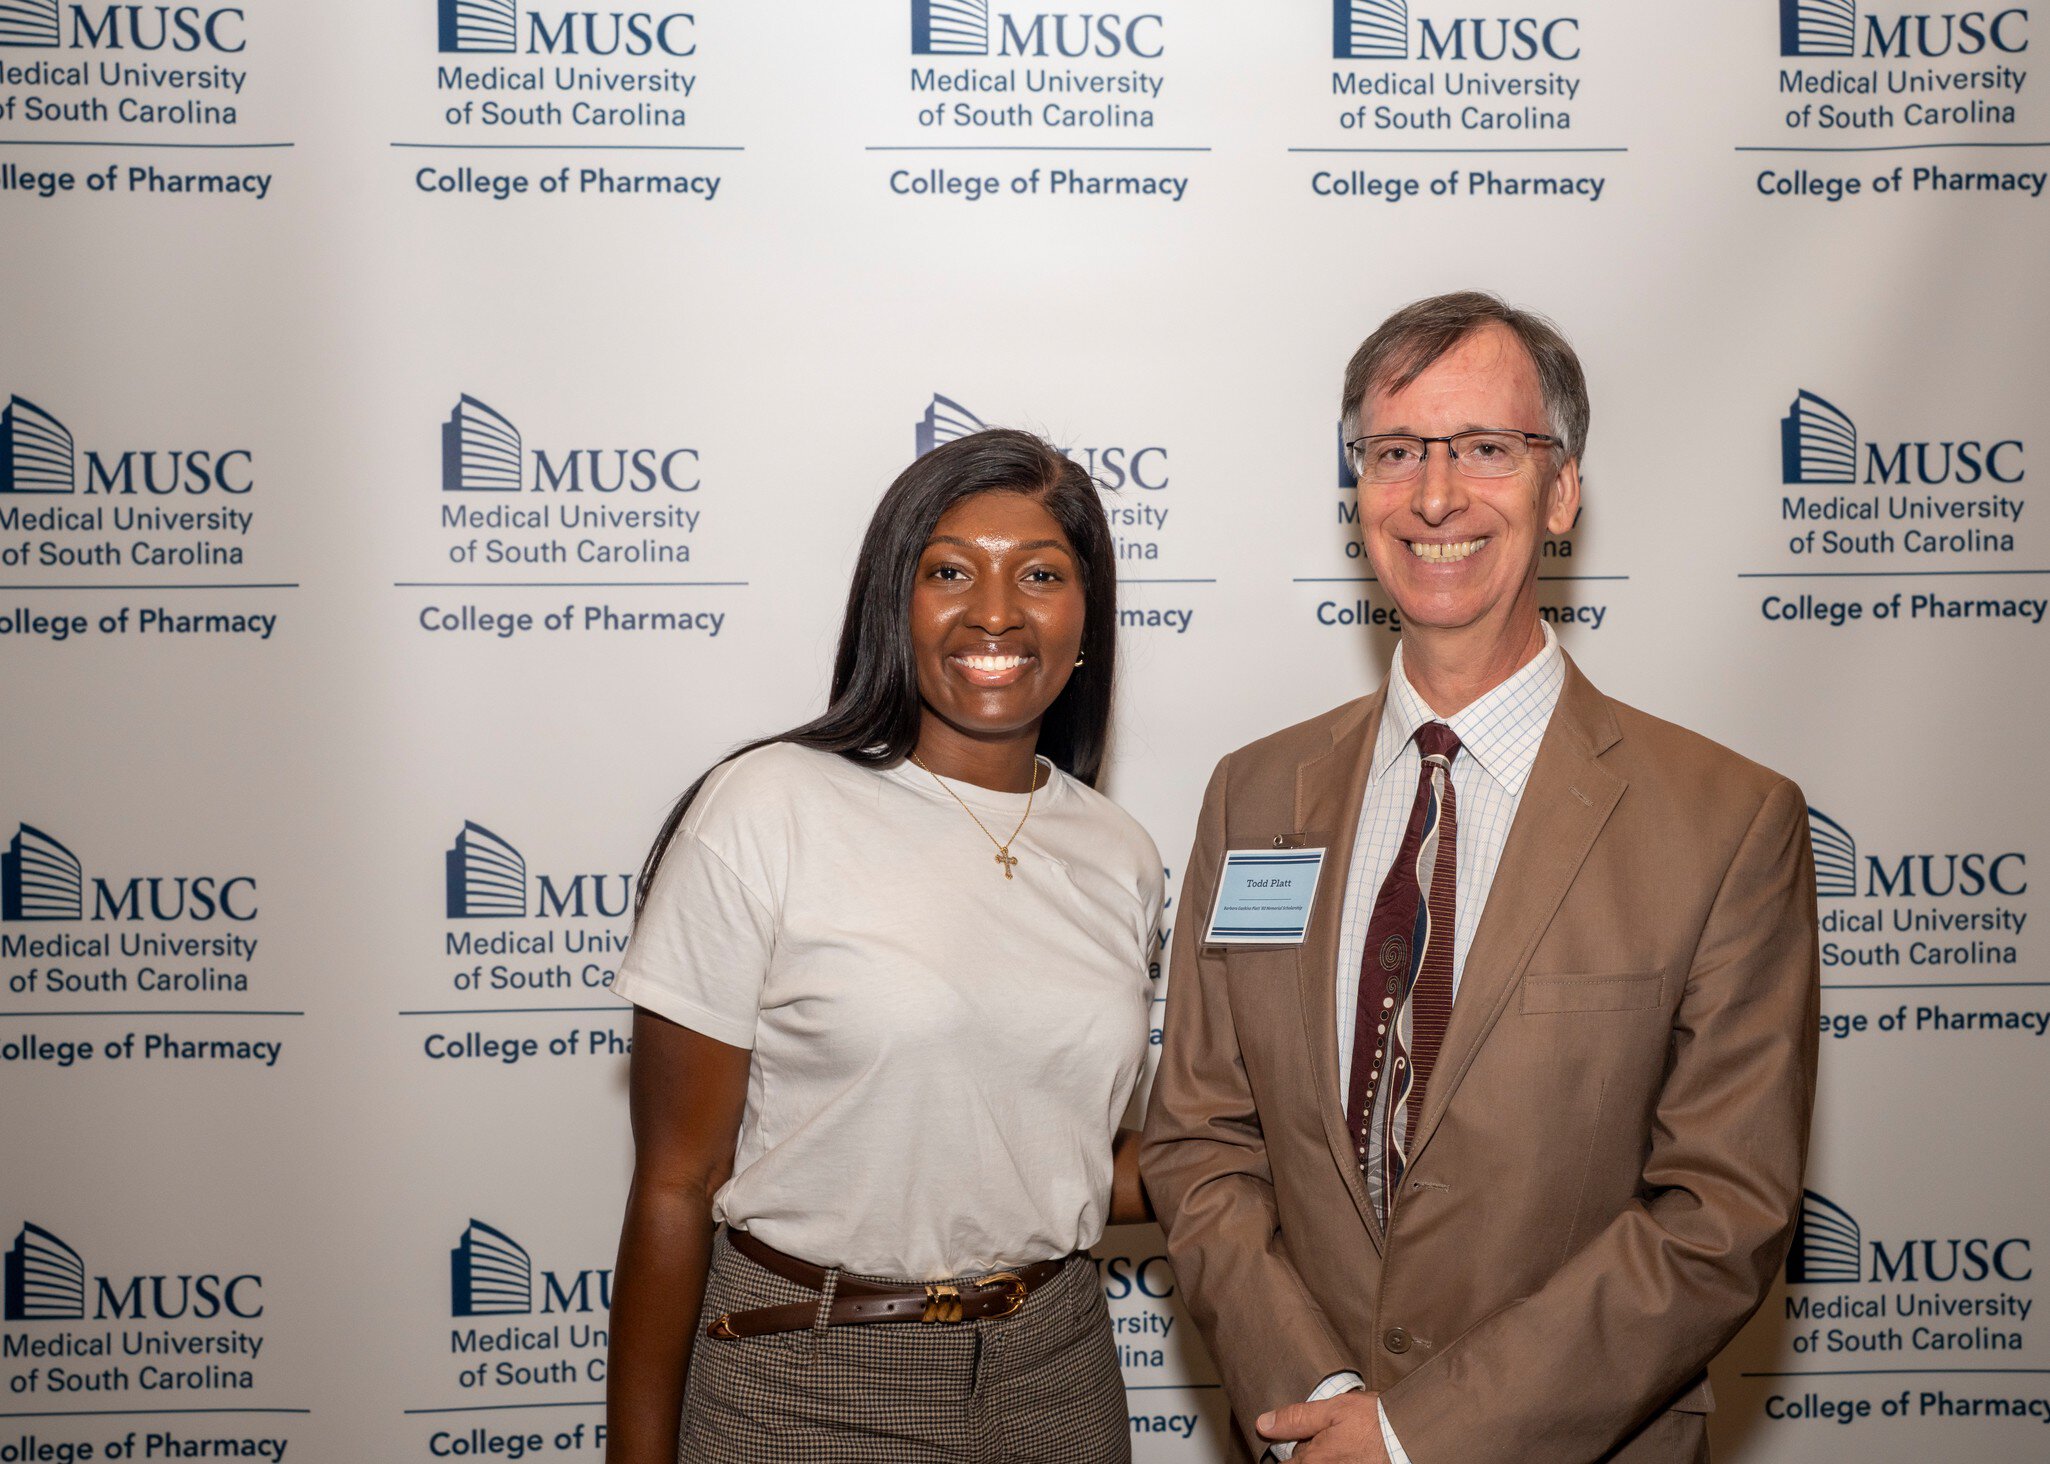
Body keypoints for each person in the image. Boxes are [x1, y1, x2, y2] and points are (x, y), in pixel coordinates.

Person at [1141, 292, 1820, 1464]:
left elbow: (1719, 1217)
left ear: (1561, 492)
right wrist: (1320, 1400)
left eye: (1487, 450)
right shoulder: (1254, 796)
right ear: (1357, 491)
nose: (1436, 495)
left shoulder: (1725, 822)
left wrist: (1414, 1437)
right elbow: (1202, 1141)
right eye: (1395, 452)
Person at [602, 428, 1162, 1464]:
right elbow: (675, 1182)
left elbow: (1072, 1155)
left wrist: (1283, 1163)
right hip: (807, 1379)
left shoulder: (1120, 854)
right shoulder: (767, 806)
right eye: (949, 571)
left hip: (1061, 1373)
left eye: (1040, 574)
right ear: (891, 605)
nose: (995, 612)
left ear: (1086, 617)